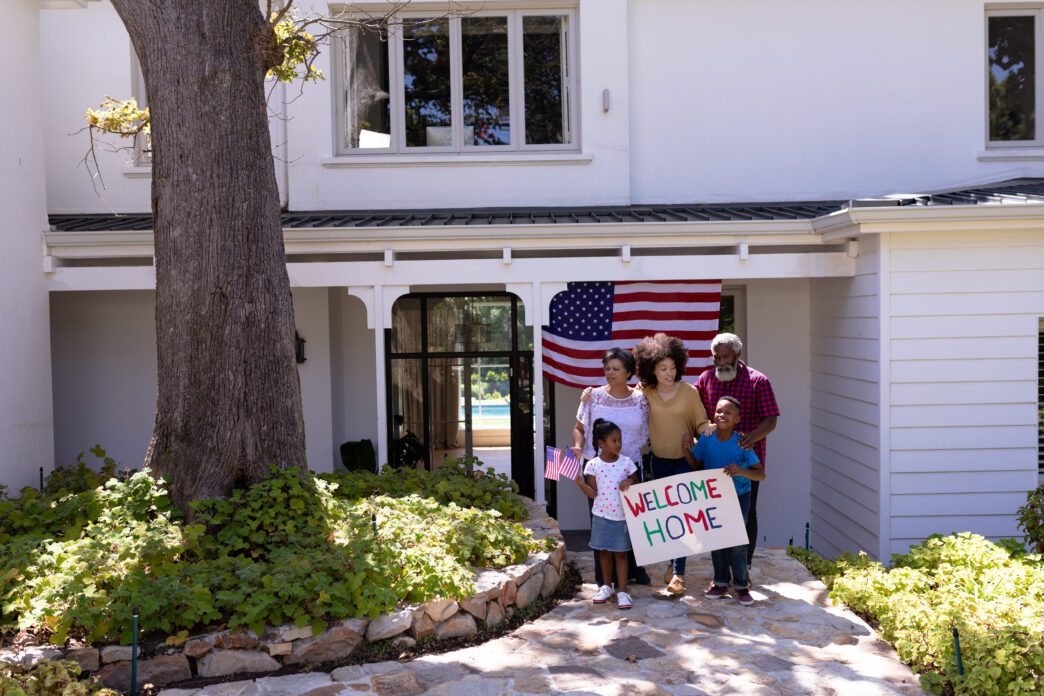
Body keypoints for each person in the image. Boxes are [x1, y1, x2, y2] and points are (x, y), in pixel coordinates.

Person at [633, 333, 713, 595]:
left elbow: (700, 422)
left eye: (673, 367)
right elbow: (621, 401)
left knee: (683, 518)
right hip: (658, 462)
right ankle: (673, 563)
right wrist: (593, 395)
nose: (669, 373)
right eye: (663, 368)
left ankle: (679, 574)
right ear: (651, 370)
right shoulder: (644, 392)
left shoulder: (689, 392)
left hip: (684, 462)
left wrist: (708, 428)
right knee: (667, 518)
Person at [695, 333, 778, 569]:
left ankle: (744, 566)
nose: (721, 362)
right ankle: (721, 570)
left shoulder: (758, 381)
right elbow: (694, 411)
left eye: (726, 356)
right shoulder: (705, 379)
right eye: (717, 357)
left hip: (745, 462)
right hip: (713, 462)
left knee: (746, 514)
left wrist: (751, 437)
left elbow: (771, 418)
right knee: (715, 514)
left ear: (737, 355)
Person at [571, 348, 651, 587]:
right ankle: (604, 578)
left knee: (633, 520)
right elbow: (579, 427)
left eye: (616, 369)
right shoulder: (592, 396)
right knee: (601, 520)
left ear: (629, 372)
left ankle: (635, 571)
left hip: (630, 467)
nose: (610, 373)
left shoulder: (641, 398)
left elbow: (649, 428)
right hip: (599, 466)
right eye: (607, 368)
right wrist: (577, 446)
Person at [683, 396, 765, 606]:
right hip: (712, 499)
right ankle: (720, 582)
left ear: (737, 419)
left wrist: (741, 471)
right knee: (717, 541)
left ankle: (741, 586)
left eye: (728, 412)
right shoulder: (706, 439)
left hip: (739, 498)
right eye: (719, 411)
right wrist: (686, 449)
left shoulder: (742, 442)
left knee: (737, 542)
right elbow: (695, 463)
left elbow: (760, 475)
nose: (722, 415)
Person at [571, 418, 638, 610]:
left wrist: (630, 482)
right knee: (604, 553)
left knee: (621, 555)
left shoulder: (626, 463)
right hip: (601, 516)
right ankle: (607, 587)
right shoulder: (592, 465)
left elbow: (635, 479)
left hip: (622, 517)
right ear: (601, 443)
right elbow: (593, 493)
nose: (618, 444)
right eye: (614, 440)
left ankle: (623, 591)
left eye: (620, 440)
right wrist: (580, 483)